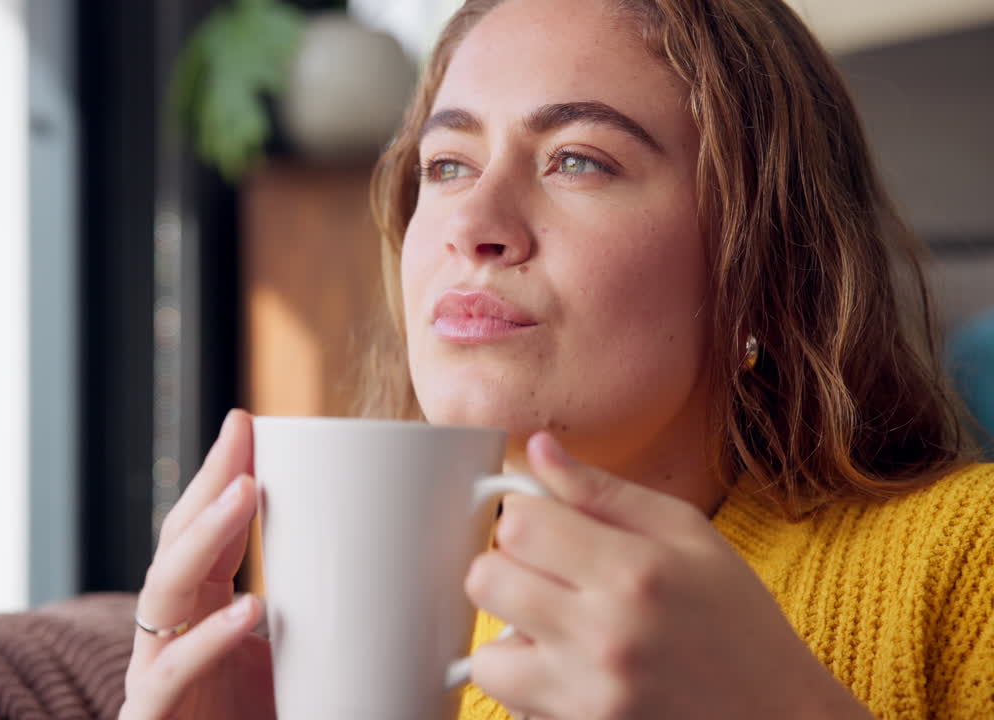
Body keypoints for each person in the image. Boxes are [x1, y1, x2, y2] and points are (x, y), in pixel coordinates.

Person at [120, 0, 993, 718]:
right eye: (448, 164)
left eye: (578, 160)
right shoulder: (402, 641)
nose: (471, 225)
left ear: (762, 261)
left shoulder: (966, 563)